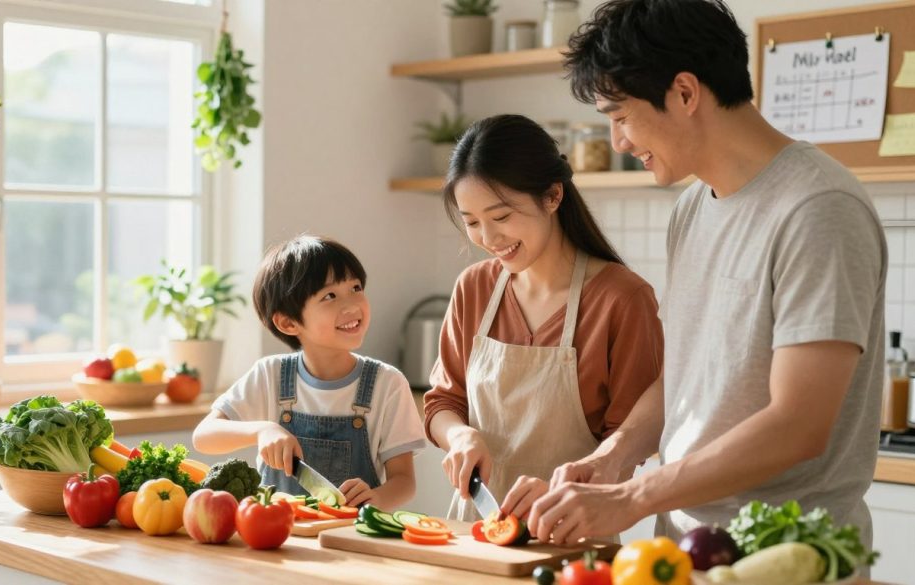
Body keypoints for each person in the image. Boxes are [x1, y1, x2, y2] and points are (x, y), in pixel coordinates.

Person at [504, 0, 886, 551]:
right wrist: (614, 457)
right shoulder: (691, 210)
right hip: (687, 546)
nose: (619, 143)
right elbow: (692, 371)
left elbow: (800, 424)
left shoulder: (818, 207)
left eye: (620, 117)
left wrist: (634, 498)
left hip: (786, 554)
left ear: (684, 93)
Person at [423, 114, 664, 522]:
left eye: (500, 217)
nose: (488, 238)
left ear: (552, 197)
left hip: (573, 529)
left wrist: (561, 489)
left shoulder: (621, 299)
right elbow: (443, 402)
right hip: (474, 530)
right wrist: (460, 435)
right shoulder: (474, 288)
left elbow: (633, 440)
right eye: (472, 223)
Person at [192, 235, 427, 510]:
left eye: (356, 287)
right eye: (330, 296)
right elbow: (204, 436)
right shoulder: (270, 374)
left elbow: (404, 481)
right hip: (276, 537)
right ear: (289, 322)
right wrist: (262, 430)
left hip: (351, 537)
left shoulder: (388, 383)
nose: (352, 305)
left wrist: (377, 498)